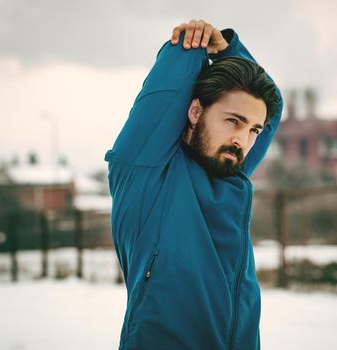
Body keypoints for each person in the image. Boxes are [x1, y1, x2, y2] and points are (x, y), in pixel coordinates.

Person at [105, 19, 283, 350]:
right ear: (195, 110)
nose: (242, 140)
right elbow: (164, 96)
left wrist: (229, 50)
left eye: (253, 130)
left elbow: (274, 108)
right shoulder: (146, 173)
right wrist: (191, 43)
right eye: (233, 121)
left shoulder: (231, 173)